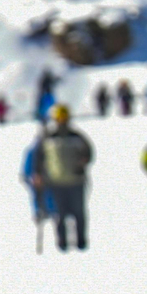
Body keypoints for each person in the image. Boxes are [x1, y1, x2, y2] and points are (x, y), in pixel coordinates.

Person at [41, 105, 94, 251]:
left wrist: (82, 162)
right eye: (59, 118)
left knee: (79, 214)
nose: (62, 121)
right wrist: (39, 175)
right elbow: (39, 159)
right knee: (59, 215)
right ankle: (62, 243)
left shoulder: (77, 137)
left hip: (76, 181)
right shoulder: (48, 137)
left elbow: (89, 153)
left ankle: (81, 242)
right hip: (56, 182)